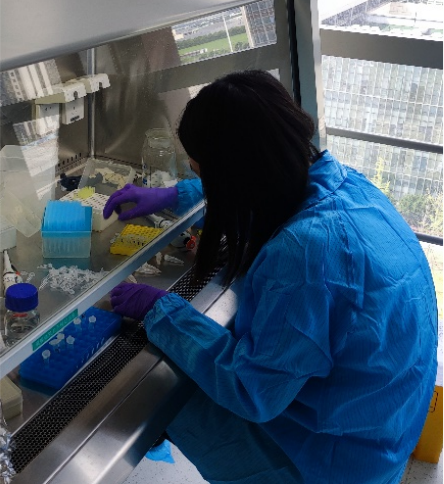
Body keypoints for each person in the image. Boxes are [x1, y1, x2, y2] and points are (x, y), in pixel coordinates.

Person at [103, 70, 438, 484]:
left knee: (168, 392)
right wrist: (177, 196)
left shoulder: (305, 255)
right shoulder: (348, 185)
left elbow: (253, 391)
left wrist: (162, 312)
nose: (203, 182)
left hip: (329, 465)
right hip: (382, 436)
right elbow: (261, 188)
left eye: (201, 174)